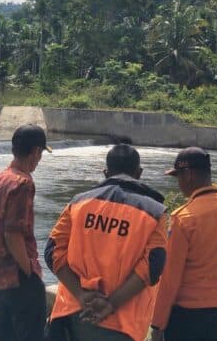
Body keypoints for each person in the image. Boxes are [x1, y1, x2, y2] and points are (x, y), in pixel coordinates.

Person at [44, 144, 167, 341]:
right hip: (123, 324)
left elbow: (53, 252)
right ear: (139, 173)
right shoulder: (154, 213)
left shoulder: (77, 203)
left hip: (71, 315)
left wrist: (80, 294)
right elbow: (153, 267)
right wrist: (112, 303)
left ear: (106, 172)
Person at [150, 147, 217, 341]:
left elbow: (170, 278)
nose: (179, 184)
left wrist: (158, 323)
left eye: (179, 177)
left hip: (188, 316)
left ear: (189, 175)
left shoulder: (183, 218)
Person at [0, 124, 52, 340]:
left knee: (3, 334)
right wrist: (29, 272)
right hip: (19, 276)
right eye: (40, 154)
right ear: (35, 152)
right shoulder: (23, 183)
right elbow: (13, 234)